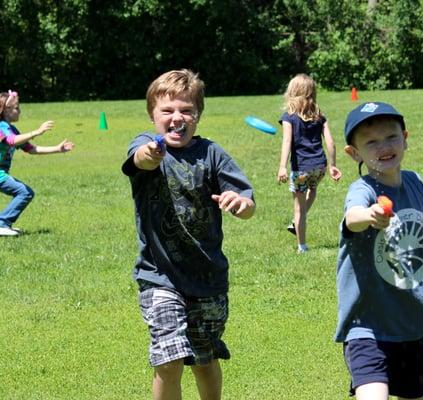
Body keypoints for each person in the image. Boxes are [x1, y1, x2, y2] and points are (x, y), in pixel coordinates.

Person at [121, 69, 256, 400]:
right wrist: (151, 153)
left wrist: (239, 203)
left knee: (205, 359)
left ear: (198, 116)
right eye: (167, 111)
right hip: (159, 277)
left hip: (208, 278)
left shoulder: (211, 153)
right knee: (169, 359)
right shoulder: (145, 145)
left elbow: (249, 203)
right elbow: (140, 159)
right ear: (153, 114)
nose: (177, 117)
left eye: (186, 110)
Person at [335, 102, 423, 400]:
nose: (384, 146)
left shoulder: (415, 183)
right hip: (367, 326)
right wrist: (371, 215)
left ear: (405, 137)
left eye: (391, 137)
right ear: (354, 153)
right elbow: (352, 217)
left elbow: (422, 256)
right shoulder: (364, 190)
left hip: (412, 322)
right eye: (371, 142)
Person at [277, 73, 342, 253]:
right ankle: (297, 220)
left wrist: (282, 166)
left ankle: (302, 246)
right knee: (312, 190)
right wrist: (333, 165)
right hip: (319, 167)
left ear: (292, 92)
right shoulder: (320, 116)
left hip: (301, 170)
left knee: (299, 210)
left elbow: (287, 142)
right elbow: (330, 142)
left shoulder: (288, 116)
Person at [0, 90, 74, 236]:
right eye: (16, 108)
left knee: (24, 192)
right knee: (24, 192)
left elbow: (31, 149)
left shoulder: (11, 128)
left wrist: (58, 149)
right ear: (6, 110)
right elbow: (11, 141)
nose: (19, 111)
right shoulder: (1, 126)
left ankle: (4, 223)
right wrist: (37, 132)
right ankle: (2, 223)